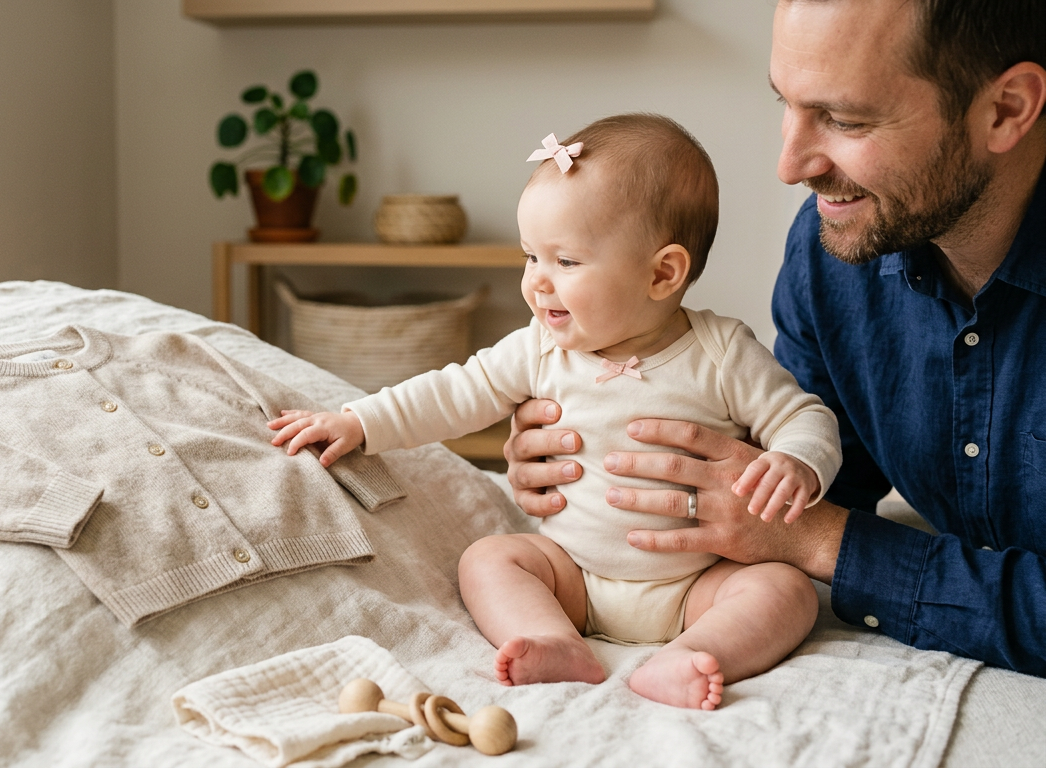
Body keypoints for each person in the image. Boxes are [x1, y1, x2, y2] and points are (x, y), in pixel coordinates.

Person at [505, 0, 1046, 676]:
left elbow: (813, 529)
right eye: (786, 104)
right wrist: (590, 444)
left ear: (1006, 109)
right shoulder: (833, 257)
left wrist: (825, 543)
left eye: (845, 119)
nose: (790, 165)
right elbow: (807, 479)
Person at [269, 114, 843, 710]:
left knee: (786, 590)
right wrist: (359, 422)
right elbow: (451, 392)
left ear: (662, 273)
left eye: (565, 262)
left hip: (697, 582)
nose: (538, 283)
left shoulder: (722, 354)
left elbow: (804, 417)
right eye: (530, 257)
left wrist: (796, 462)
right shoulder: (539, 349)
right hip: (575, 577)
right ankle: (553, 639)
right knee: (489, 559)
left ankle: (696, 654)